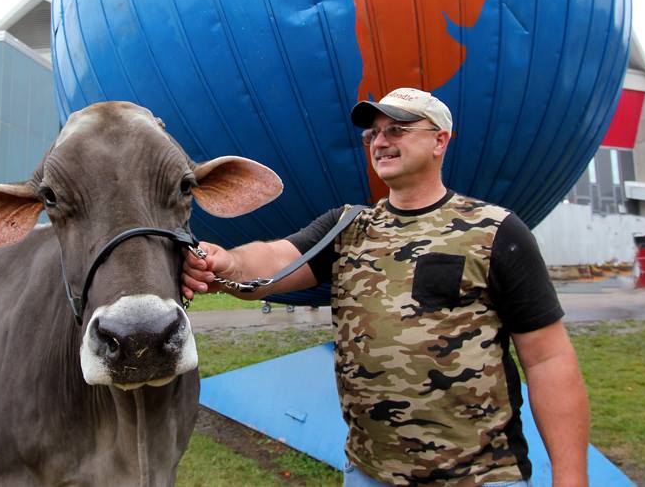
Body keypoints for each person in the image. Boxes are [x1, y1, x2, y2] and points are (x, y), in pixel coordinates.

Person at [183, 87, 589, 487]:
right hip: (370, 472)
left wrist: (571, 477)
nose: (380, 142)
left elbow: (548, 360)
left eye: (397, 130)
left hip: (479, 476)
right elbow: (275, 259)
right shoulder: (347, 228)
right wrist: (229, 263)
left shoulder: (494, 231)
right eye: (373, 134)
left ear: (439, 141)